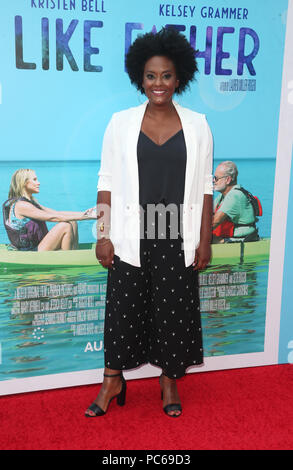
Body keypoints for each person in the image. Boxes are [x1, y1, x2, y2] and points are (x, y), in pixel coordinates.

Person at [85, 28, 213, 418]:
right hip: (129, 234)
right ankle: (112, 379)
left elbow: (206, 187)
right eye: (151, 76)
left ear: (180, 78)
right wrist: (103, 235)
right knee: (123, 310)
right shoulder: (120, 123)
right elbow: (105, 183)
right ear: (139, 78)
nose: (159, 84)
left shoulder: (198, 124)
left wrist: (205, 241)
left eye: (167, 75)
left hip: (177, 231)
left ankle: (169, 378)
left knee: (173, 311)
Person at [3, 168, 95, 251]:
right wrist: (86, 217)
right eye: (34, 180)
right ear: (24, 183)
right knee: (65, 226)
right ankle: (67, 260)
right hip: (30, 251)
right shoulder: (21, 205)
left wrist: (86, 214)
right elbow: (53, 218)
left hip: (39, 246)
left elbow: (56, 213)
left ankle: (73, 253)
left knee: (72, 221)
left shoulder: (31, 203)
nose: (38, 183)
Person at [212, 161, 260, 243]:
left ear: (228, 180)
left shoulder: (235, 195)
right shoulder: (222, 197)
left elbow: (214, 222)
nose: (213, 181)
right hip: (230, 237)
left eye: (216, 178)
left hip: (242, 240)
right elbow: (206, 214)